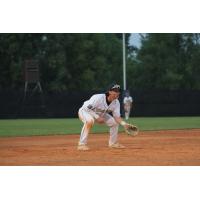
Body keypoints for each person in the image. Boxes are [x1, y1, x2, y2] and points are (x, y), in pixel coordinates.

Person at [77, 83, 130, 151]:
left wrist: (124, 124)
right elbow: (86, 108)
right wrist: (97, 117)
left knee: (114, 123)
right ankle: (81, 144)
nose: (117, 93)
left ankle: (113, 143)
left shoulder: (116, 103)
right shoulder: (98, 98)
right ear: (109, 92)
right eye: (115, 91)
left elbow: (117, 117)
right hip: (85, 111)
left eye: (118, 91)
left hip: (100, 114)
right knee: (90, 121)